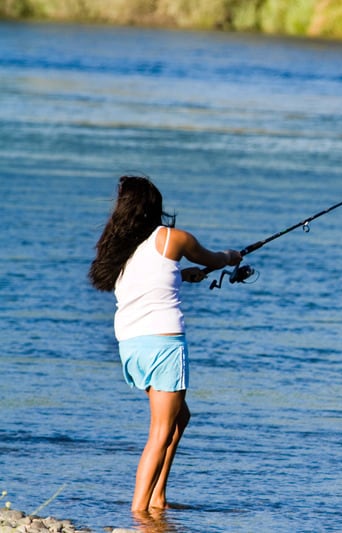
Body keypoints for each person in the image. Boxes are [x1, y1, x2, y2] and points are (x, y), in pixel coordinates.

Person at [89, 175, 241, 512]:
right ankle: (140, 511)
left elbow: (149, 281)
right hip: (164, 343)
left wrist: (183, 276)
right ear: (154, 208)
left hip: (131, 346)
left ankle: (158, 498)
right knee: (160, 431)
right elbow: (212, 259)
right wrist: (231, 256)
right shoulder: (173, 238)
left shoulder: (123, 250)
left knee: (179, 418)